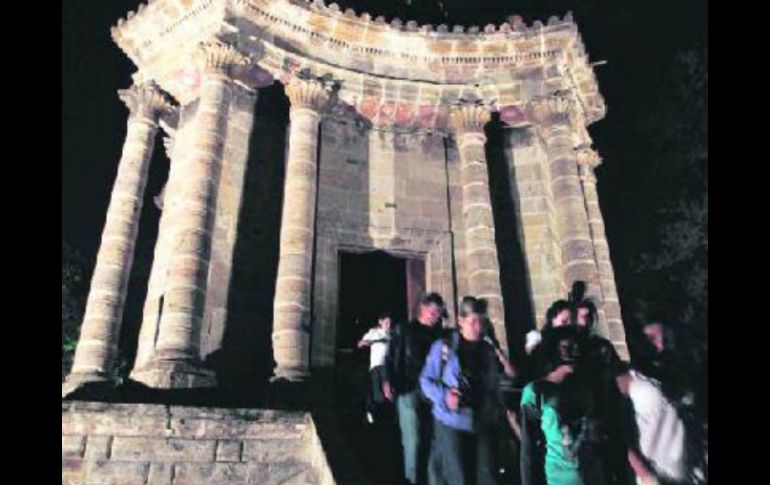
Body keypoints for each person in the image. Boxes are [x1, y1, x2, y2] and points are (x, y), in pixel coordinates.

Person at [420, 296, 516, 485]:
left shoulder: (488, 349)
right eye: (473, 321)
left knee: (488, 477)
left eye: (482, 321)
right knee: (459, 478)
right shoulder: (444, 347)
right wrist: (445, 396)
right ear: (461, 321)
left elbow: (510, 376)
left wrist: (499, 352)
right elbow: (425, 380)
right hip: (452, 422)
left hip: (484, 421)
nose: (478, 327)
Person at [520, 325, 608, 485]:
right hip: (558, 479)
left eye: (576, 347)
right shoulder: (536, 392)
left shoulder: (586, 388)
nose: (574, 352)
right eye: (567, 347)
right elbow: (529, 448)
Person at [384, 292, 446, 485]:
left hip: (435, 393)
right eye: (432, 312)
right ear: (422, 308)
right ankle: (412, 480)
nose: (435, 316)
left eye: (438, 313)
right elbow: (390, 356)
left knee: (435, 440)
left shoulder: (440, 335)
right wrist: (387, 380)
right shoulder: (405, 329)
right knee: (413, 440)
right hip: (409, 388)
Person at [615, 364, 688, 485]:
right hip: (670, 470)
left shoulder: (640, 395)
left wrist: (647, 477)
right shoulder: (649, 384)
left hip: (667, 471)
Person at [358, 310, 393, 424]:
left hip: (386, 365)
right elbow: (361, 343)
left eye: (390, 323)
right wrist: (370, 341)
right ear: (380, 322)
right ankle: (372, 412)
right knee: (377, 395)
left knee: (387, 388)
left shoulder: (391, 334)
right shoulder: (374, 332)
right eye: (386, 323)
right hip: (375, 366)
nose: (388, 325)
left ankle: (390, 404)